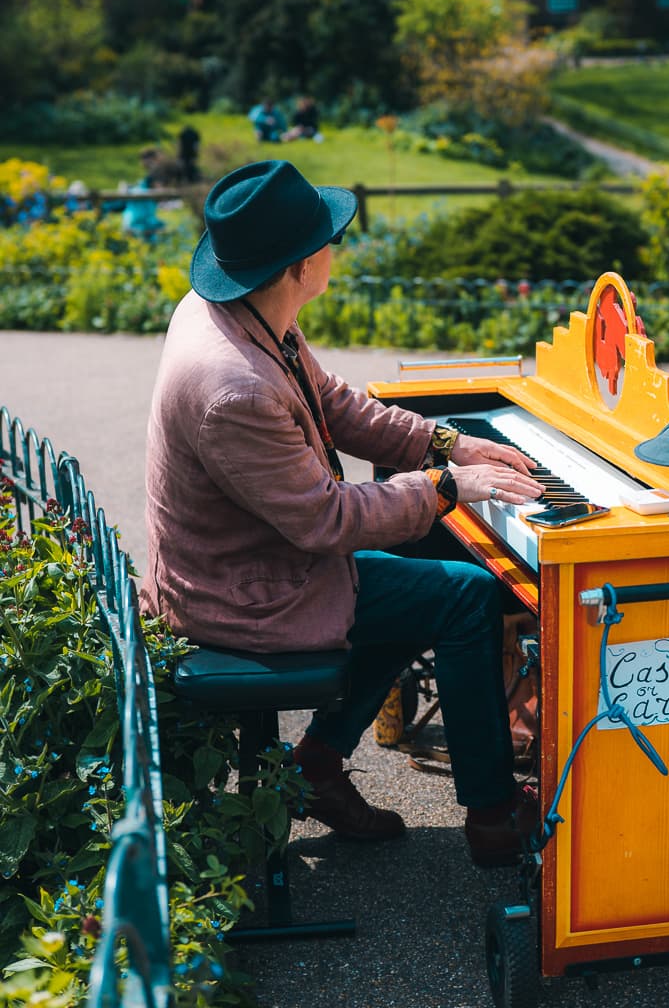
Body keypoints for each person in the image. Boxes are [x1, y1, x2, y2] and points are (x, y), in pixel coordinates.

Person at [139, 160, 545, 867]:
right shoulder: (234, 387)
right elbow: (327, 522)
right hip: (245, 590)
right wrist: (450, 486)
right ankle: (491, 814)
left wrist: (449, 441)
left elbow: (334, 404)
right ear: (299, 265)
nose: (337, 248)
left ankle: (319, 764)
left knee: (434, 564)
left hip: (259, 556)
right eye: (329, 238)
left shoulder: (246, 314)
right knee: (466, 595)